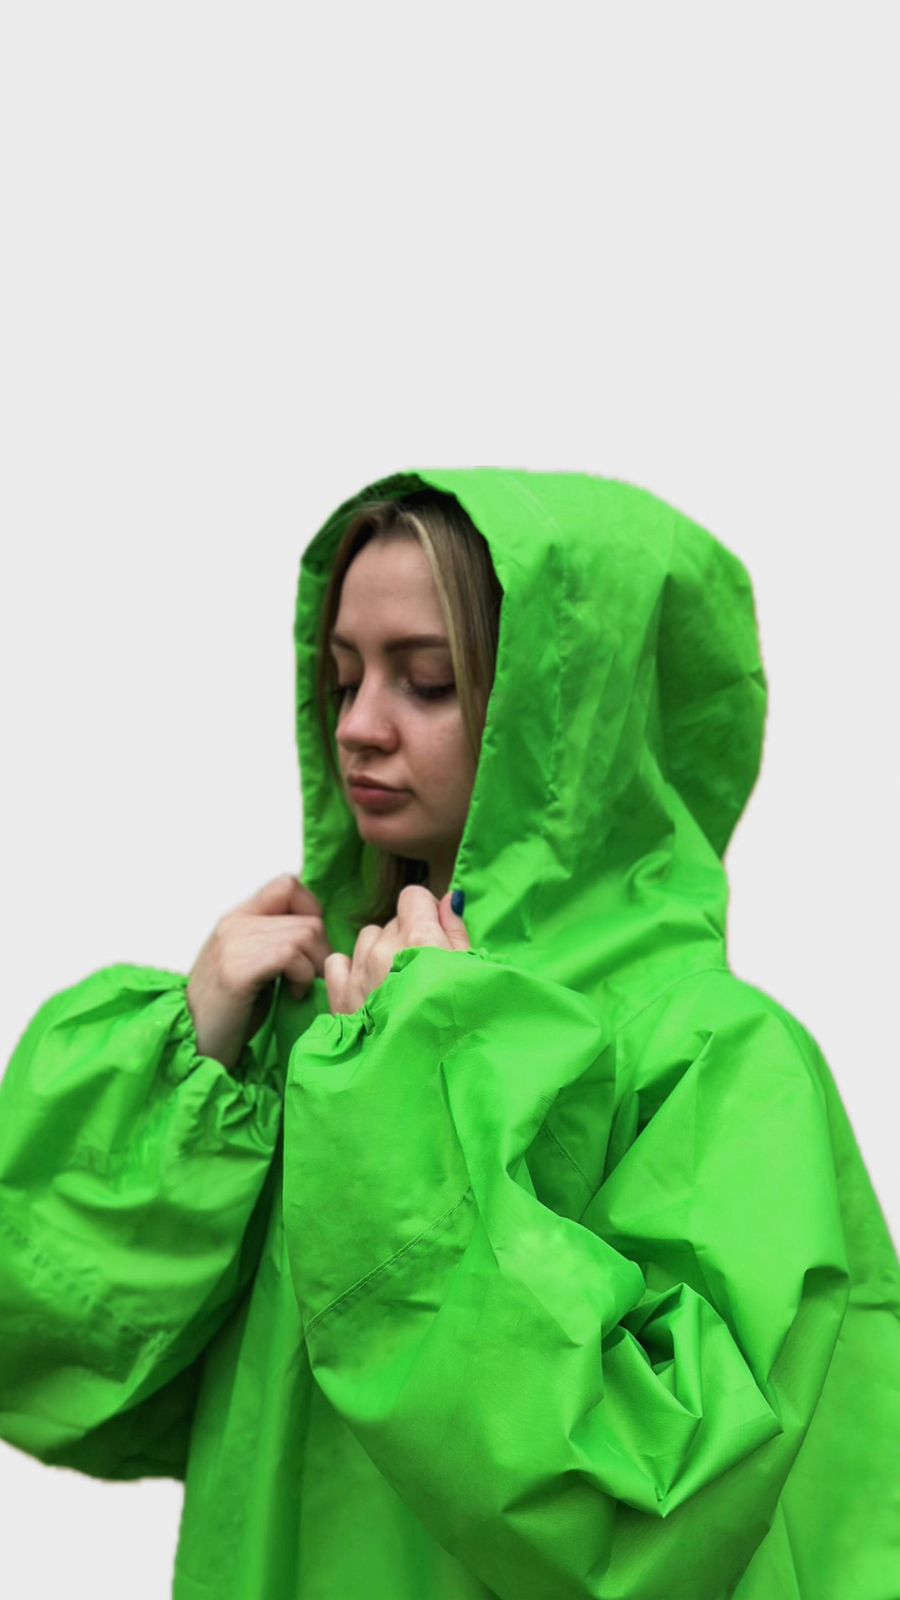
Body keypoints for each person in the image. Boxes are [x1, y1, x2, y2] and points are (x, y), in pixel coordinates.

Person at [0, 466, 897, 1598]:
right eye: (343, 679)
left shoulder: (715, 1054)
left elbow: (663, 1505)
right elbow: (60, 1368)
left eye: (426, 681)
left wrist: (415, 1101)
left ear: (569, 722)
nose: (358, 727)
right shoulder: (314, 1027)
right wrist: (185, 1074)